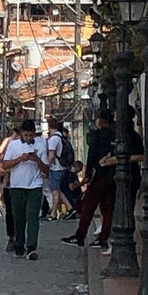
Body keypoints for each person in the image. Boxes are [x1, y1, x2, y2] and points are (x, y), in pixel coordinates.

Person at [62, 108, 117, 251]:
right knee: (107, 209)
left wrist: (87, 176)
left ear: (101, 120)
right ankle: (103, 237)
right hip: (113, 176)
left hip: (98, 176)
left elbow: (92, 156)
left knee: (88, 207)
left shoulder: (97, 135)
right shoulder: (116, 135)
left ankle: (80, 236)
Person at [0, 119, 49, 260]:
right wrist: (20, 159)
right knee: (18, 217)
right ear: (21, 133)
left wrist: (37, 160)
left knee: (33, 217)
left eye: (31, 136)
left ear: (34, 134)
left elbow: (46, 169)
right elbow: (5, 164)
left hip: (35, 185)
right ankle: (19, 245)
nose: (28, 138)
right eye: (26, 135)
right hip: (16, 186)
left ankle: (32, 247)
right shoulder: (13, 145)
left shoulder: (41, 144)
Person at [45, 117, 71, 221]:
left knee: (54, 192)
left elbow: (51, 156)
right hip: (61, 167)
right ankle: (70, 208)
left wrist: (46, 167)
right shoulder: (60, 137)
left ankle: (53, 214)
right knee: (58, 191)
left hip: (55, 168)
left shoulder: (53, 139)